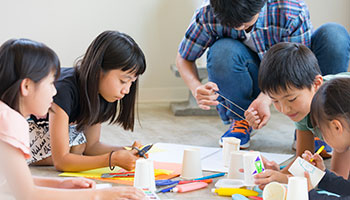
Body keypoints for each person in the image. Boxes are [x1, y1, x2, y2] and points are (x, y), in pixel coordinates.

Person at [176, 0, 350, 149]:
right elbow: (184, 57)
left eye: (245, 22)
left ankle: (319, 122)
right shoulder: (207, 13)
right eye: (232, 24)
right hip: (252, 71)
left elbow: (298, 66)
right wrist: (196, 87)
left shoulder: (291, 10)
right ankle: (240, 120)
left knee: (335, 36)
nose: (239, 27)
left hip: (291, 72)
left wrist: (267, 97)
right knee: (222, 51)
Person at [0, 38, 145, 200]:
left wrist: (60, 184)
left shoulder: (7, 117)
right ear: (26, 86)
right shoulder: (10, 122)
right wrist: (98, 194)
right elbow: (27, 193)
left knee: (79, 144)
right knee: (76, 145)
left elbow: (7, 183)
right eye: (50, 84)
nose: (55, 92)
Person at [28, 30, 147, 172]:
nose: (126, 90)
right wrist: (113, 159)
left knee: (80, 145)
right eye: (123, 81)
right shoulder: (64, 91)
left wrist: (127, 151)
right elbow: (61, 162)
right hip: (19, 125)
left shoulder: (103, 92)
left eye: (131, 83)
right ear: (99, 70)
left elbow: (92, 146)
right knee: (77, 146)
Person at [250, 42, 350, 189]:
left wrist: (286, 180)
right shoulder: (302, 107)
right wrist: (277, 175)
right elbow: (302, 157)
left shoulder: (336, 105)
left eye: (291, 99)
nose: (284, 109)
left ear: (316, 84)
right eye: (275, 100)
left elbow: (339, 181)